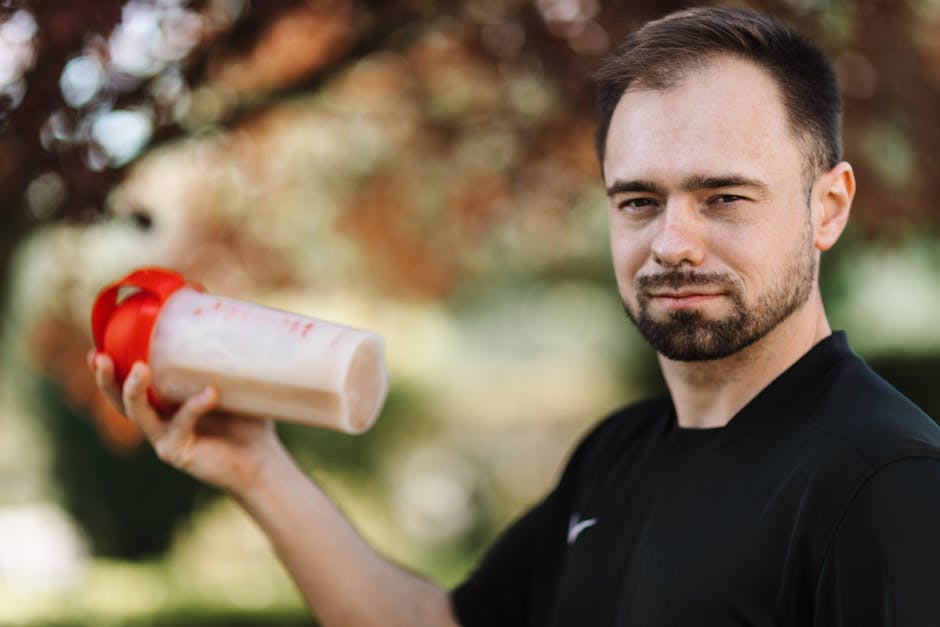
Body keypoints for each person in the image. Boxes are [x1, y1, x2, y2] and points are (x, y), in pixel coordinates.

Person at [90, 6, 940, 626]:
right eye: (639, 200)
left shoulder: (883, 482)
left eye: (723, 197)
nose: (672, 243)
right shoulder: (617, 457)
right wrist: (257, 467)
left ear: (827, 207)